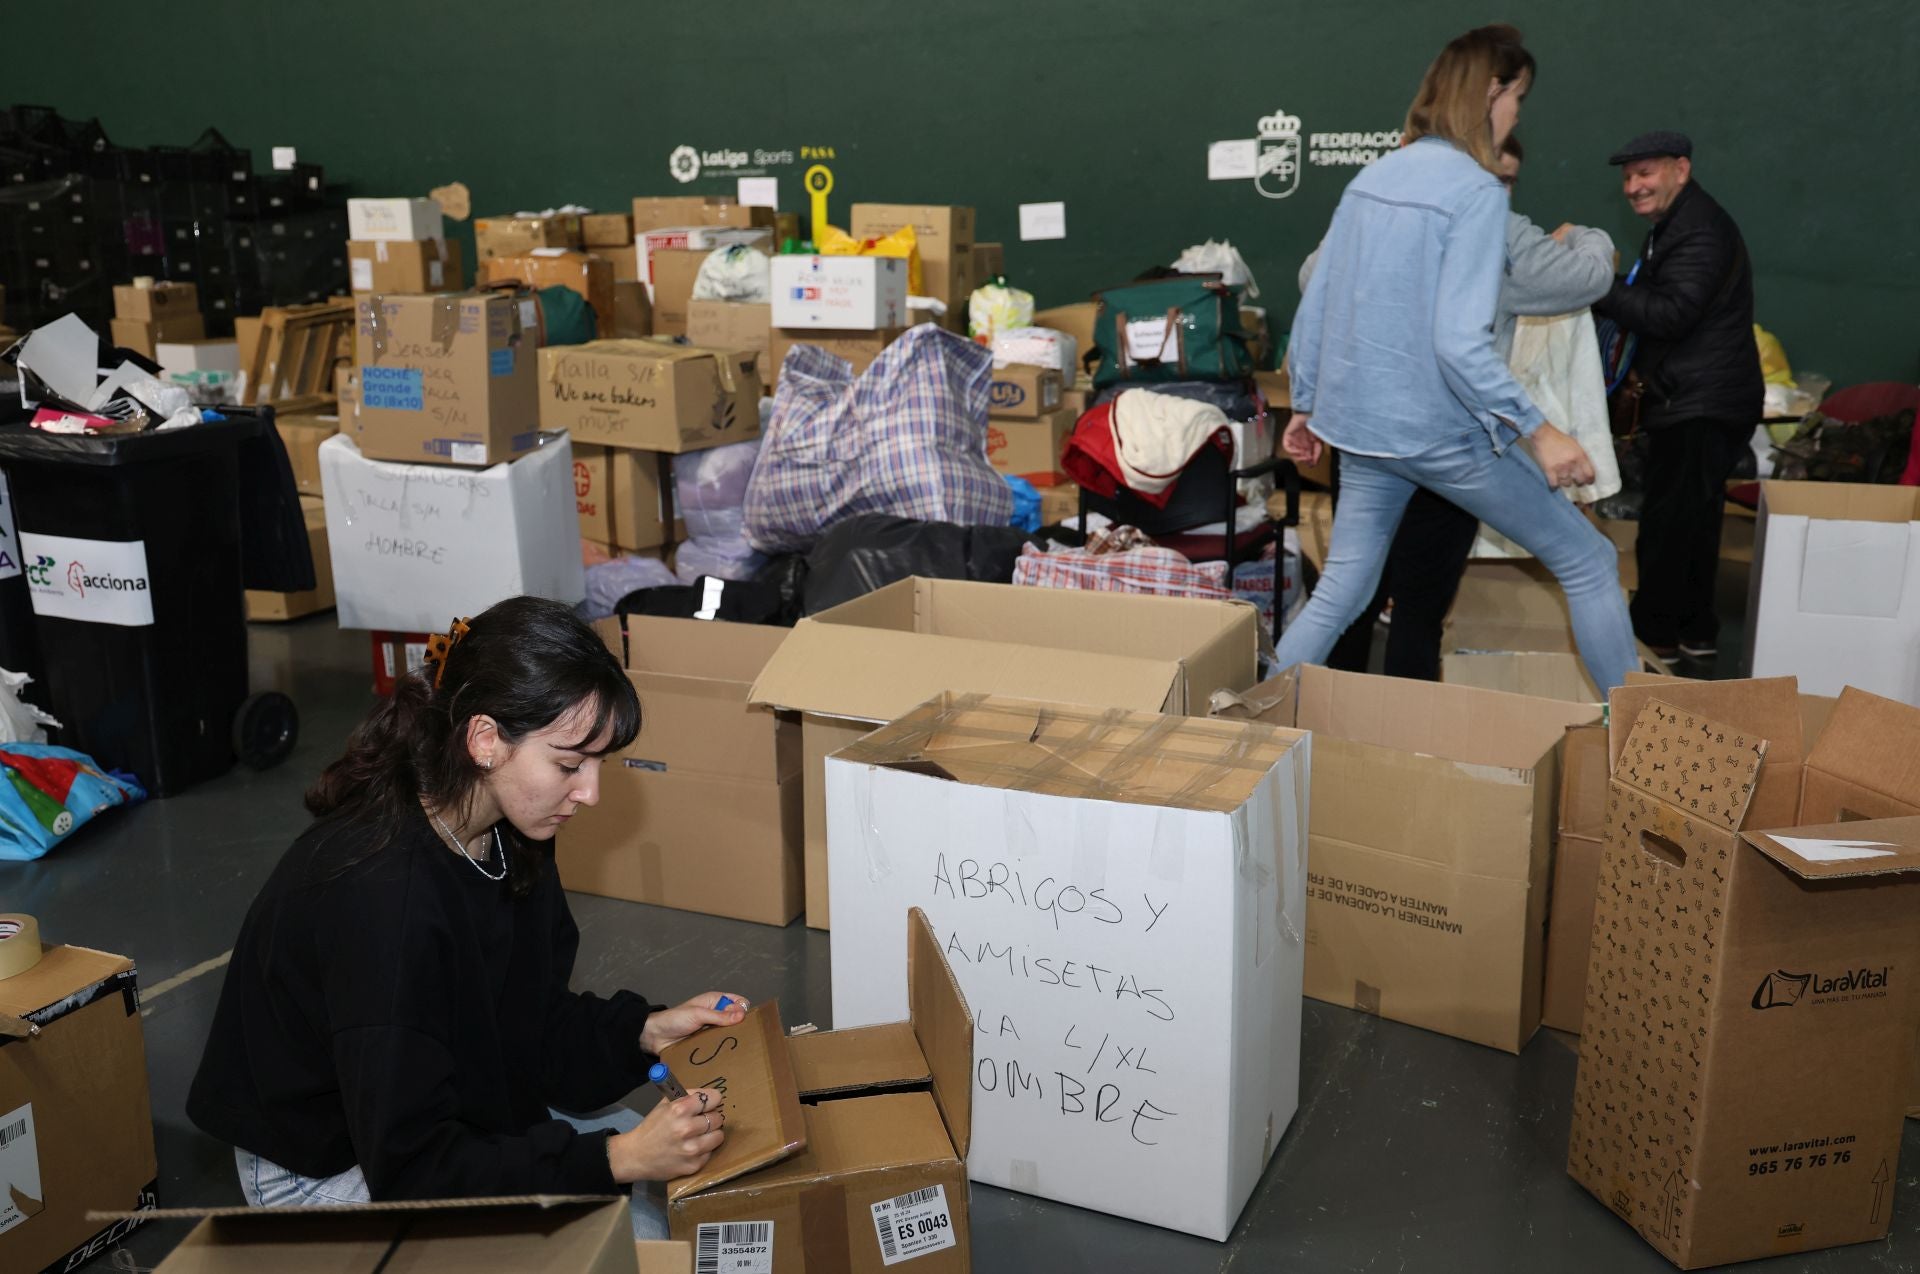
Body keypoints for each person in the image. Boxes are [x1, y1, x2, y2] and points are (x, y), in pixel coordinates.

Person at [187, 597, 746, 1239]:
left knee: (682, 1210)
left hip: (444, 1111)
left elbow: (525, 1018)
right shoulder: (383, 904)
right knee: (636, 1238)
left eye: (598, 764)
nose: (590, 793)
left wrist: (643, 1032)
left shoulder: (508, 828)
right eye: (569, 764)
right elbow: (412, 1167)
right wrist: (618, 1158)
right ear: (484, 740)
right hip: (332, 1171)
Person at [1277, 24, 1638, 692]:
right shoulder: (1474, 192)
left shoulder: (1375, 176)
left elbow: (1317, 296)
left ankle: (1247, 724)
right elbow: (1457, 340)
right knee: (1588, 560)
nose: (1515, 117)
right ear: (1492, 92)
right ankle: (1649, 747)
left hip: (1362, 432)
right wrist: (1543, 430)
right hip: (1439, 432)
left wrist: (1304, 401)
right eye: (1518, 100)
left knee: (1342, 592)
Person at [1595, 131, 1763, 662]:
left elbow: (1669, 313)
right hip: (1703, 397)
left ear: (1681, 170)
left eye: (1645, 174)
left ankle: (1655, 634)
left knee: (1668, 524)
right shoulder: (1679, 224)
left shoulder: (1697, 231)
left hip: (1699, 402)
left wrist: (1594, 282)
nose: (1632, 187)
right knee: (1694, 519)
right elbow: (1658, 298)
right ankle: (1696, 628)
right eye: (1627, 177)